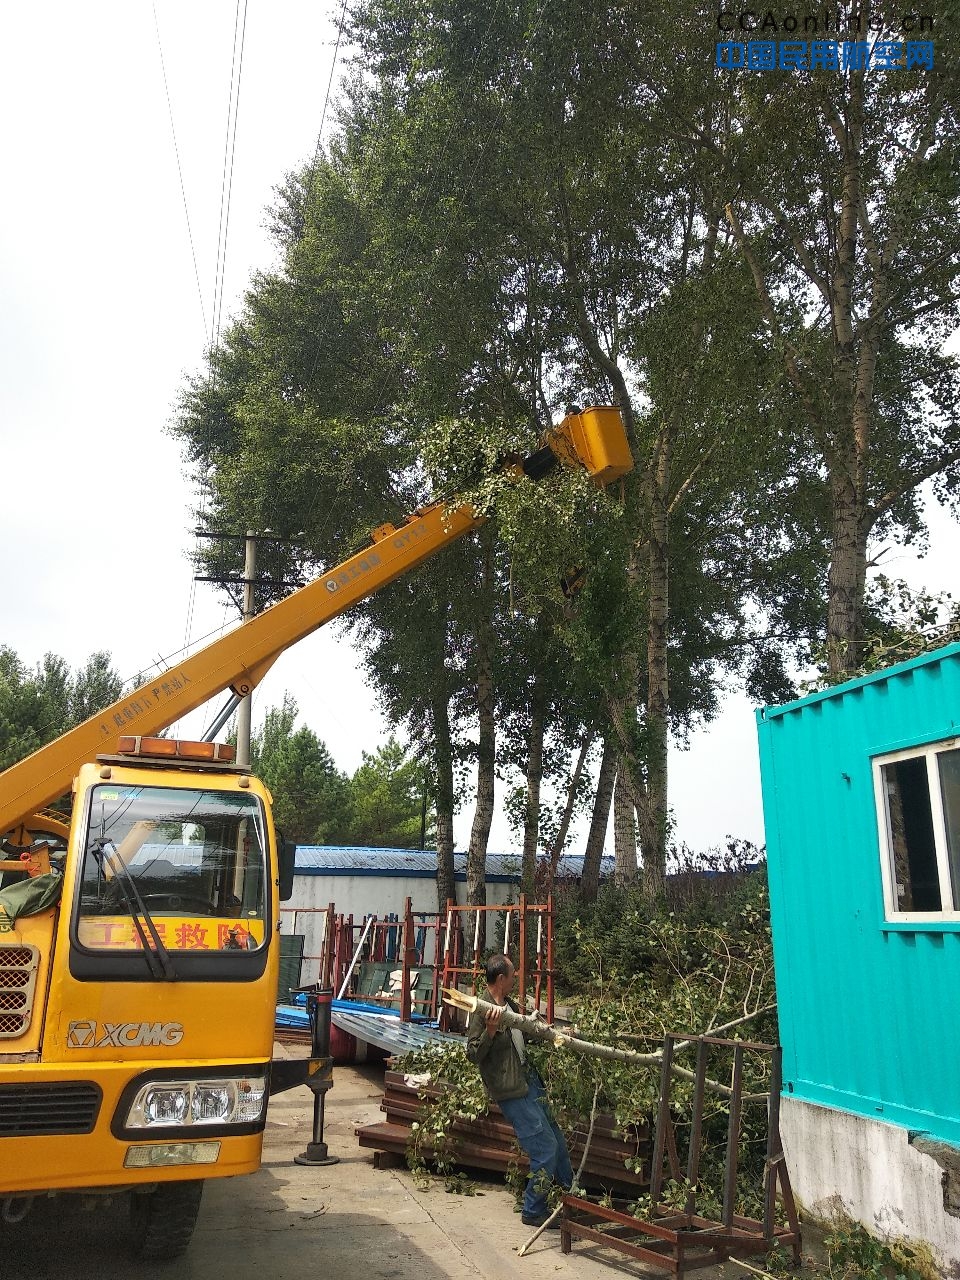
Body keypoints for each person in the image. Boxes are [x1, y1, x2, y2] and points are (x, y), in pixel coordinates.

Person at [465, 953, 574, 1229]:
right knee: (545, 1147)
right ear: (501, 978)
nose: (515, 980)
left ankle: (570, 1198)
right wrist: (490, 1032)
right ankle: (534, 1209)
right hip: (512, 1090)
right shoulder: (481, 1010)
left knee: (557, 1141)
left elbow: (525, 1034)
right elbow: (473, 1055)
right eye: (513, 975)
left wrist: (557, 1034)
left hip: (530, 1081)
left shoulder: (509, 1006)